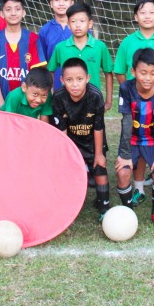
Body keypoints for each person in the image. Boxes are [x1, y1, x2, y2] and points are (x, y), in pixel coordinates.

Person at [114, 0, 154, 208]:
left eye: (152, 12)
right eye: (143, 12)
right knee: (138, 147)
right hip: (136, 109)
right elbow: (120, 72)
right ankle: (139, 188)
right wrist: (135, 93)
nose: (147, 16)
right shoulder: (128, 42)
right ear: (136, 16)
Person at [115, 48, 154, 228]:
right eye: (143, 73)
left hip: (152, 140)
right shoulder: (125, 88)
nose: (148, 78)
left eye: (153, 73)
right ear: (133, 72)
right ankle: (128, 212)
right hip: (131, 140)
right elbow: (126, 121)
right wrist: (124, 154)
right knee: (123, 172)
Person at [51, 57, 110, 219]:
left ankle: (104, 205)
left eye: (79, 79)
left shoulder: (95, 95)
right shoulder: (58, 97)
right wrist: (68, 155)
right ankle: (67, 204)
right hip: (71, 141)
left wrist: (99, 154)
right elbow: (61, 131)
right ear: (62, 80)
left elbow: (99, 127)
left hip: (92, 139)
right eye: (69, 80)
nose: (75, 84)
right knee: (67, 170)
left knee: (99, 168)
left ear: (88, 78)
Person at [0, 0, 46, 109]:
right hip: (1, 105)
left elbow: (36, 74)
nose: (13, 13)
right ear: (1, 14)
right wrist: (3, 105)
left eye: (17, 9)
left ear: (24, 12)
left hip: (28, 106)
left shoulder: (33, 39)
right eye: (8, 9)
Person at [47, 2, 113, 110]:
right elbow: (50, 71)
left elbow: (108, 72)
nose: (77, 25)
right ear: (68, 25)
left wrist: (109, 101)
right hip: (67, 103)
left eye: (82, 21)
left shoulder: (100, 46)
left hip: (93, 102)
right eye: (73, 21)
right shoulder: (60, 47)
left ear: (90, 23)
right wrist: (52, 94)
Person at [38, 0, 77, 87]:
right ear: (51, 3)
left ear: (72, 3)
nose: (61, 4)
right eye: (57, 0)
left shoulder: (80, 29)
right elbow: (42, 62)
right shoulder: (44, 30)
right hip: (53, 86)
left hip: (77, 86)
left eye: (65, 0)